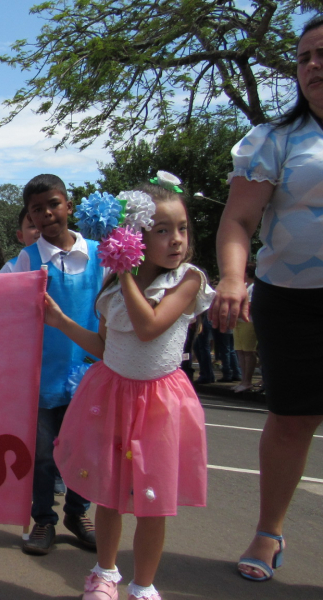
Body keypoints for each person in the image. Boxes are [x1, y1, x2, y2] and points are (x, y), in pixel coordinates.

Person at [48, 180, 212, 600]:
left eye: (182, 229)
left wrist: (124, 273)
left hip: (159, 403)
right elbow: (105, 347)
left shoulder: (187, 280)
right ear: (135, 236)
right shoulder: (112, 290)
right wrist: (62, 321)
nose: (176, 240)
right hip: (112, 397)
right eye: (161, 230)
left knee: (152, 501)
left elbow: (149, 327)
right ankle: (105, 573)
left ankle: (143, 584)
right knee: (110, 496)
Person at [212, 15, 323, 583]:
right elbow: (239, 218)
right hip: (293, 300)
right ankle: (268, 530)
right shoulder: (275, 139)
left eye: (322, 53)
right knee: (290, 418)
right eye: (304, 56)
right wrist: (233, 279)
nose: (312, 65)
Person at [10, 174, 102, 556]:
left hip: (91, 373)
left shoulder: (101, 253)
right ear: (29, 217)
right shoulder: (27, 260)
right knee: (44, 455)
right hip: (42, 376)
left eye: (53, 204)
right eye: (36, 210)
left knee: (84, 451)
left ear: (69, 205)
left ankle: (78, 513)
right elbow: (8, 311)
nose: (46, 214)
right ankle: (43, 518)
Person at [232, 264, 258, 393]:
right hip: (239, 322)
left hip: (248, 322)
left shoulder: (254, 287)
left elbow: (250, 306)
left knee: (248, 352)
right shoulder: (244, 286)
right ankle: (243, 381)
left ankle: (248, 381)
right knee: (240, 351)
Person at [0, 207, 41, 274]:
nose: (40, 230)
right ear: (20, 235)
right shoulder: (10, 269)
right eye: (33, 226)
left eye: (44, 225)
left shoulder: (61, 259)